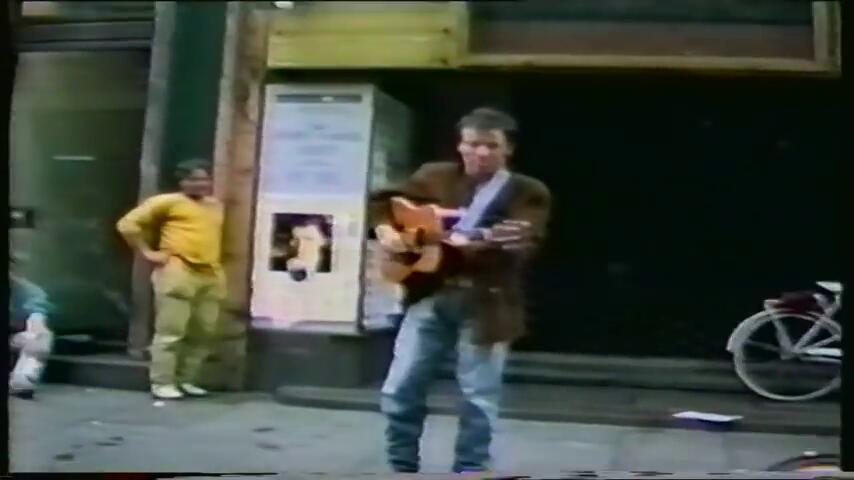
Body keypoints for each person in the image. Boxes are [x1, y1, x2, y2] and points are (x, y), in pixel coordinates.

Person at [370, 107, 552, 473]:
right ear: (460, 145)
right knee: (400, 387)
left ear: (508, 149)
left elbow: (526, 237)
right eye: (473, 144)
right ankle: (400, 464)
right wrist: (387, 233)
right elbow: (381, 202)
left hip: (487, 302)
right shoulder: (433, 176)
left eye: (491, 145)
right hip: (431, 295)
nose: (481, 153)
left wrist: (484, 242)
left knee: (478, 396)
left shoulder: (527, 191)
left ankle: (471, 467)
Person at [116, 159, 225, 400]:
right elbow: (127, 225)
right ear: (182, 181)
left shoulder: (215, 205)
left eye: (205, 178)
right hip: (178, 269)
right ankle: (162, 382)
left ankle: (186, 379)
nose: (201, 184)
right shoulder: (167, 201)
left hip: (210, 272)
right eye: (194, 179)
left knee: (203, 332)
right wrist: (147, 252)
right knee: (171, 332)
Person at [9, 261, 55, 399]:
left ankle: (21, 381)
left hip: (12, 340)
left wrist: (39, 333)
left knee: (39, 337)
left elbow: (36, 321)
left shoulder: (29, 292)